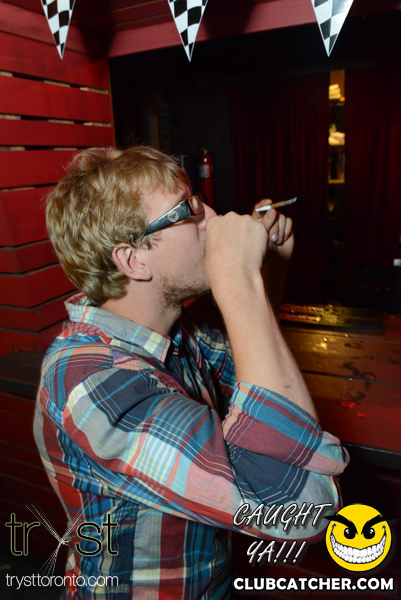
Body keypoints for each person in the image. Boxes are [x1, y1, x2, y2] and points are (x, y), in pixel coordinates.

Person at [34, 145, 348, 599]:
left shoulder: (179, 335)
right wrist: (236, 276)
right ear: (133, 260)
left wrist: (266, 272)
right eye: (188, 211)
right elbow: (301, 507)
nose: (215, 219)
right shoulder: (89, 383)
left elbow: (261, 390)